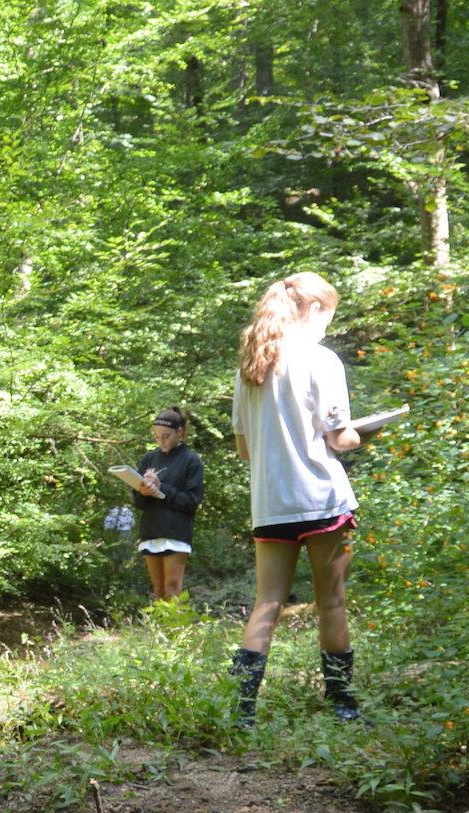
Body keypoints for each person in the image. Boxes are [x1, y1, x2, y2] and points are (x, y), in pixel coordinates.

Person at [229, 273, 371, 723]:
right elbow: (339, 438)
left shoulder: (250, 365)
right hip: (321, 499)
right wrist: (361, 433)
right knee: (331, 601)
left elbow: (244, 447)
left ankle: (241, 711)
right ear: (311, 310)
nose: (328, 329)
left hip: (270, 505)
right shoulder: (321, 359)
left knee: (267, 602)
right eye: (328, 317)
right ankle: (343, 707)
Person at [132, 408, 204, 603]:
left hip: (176, 533)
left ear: (179, 432)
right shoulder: (149, 459)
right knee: (158, 591)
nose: (161, 441)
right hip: (151, 530)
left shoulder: (191, 460)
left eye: (166, 436)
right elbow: (138, 502)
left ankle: (176, 631)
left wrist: (161, 488)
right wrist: (143, 492)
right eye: (157, 437)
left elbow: (191, 501)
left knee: (172, 588)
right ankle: (160, 633)